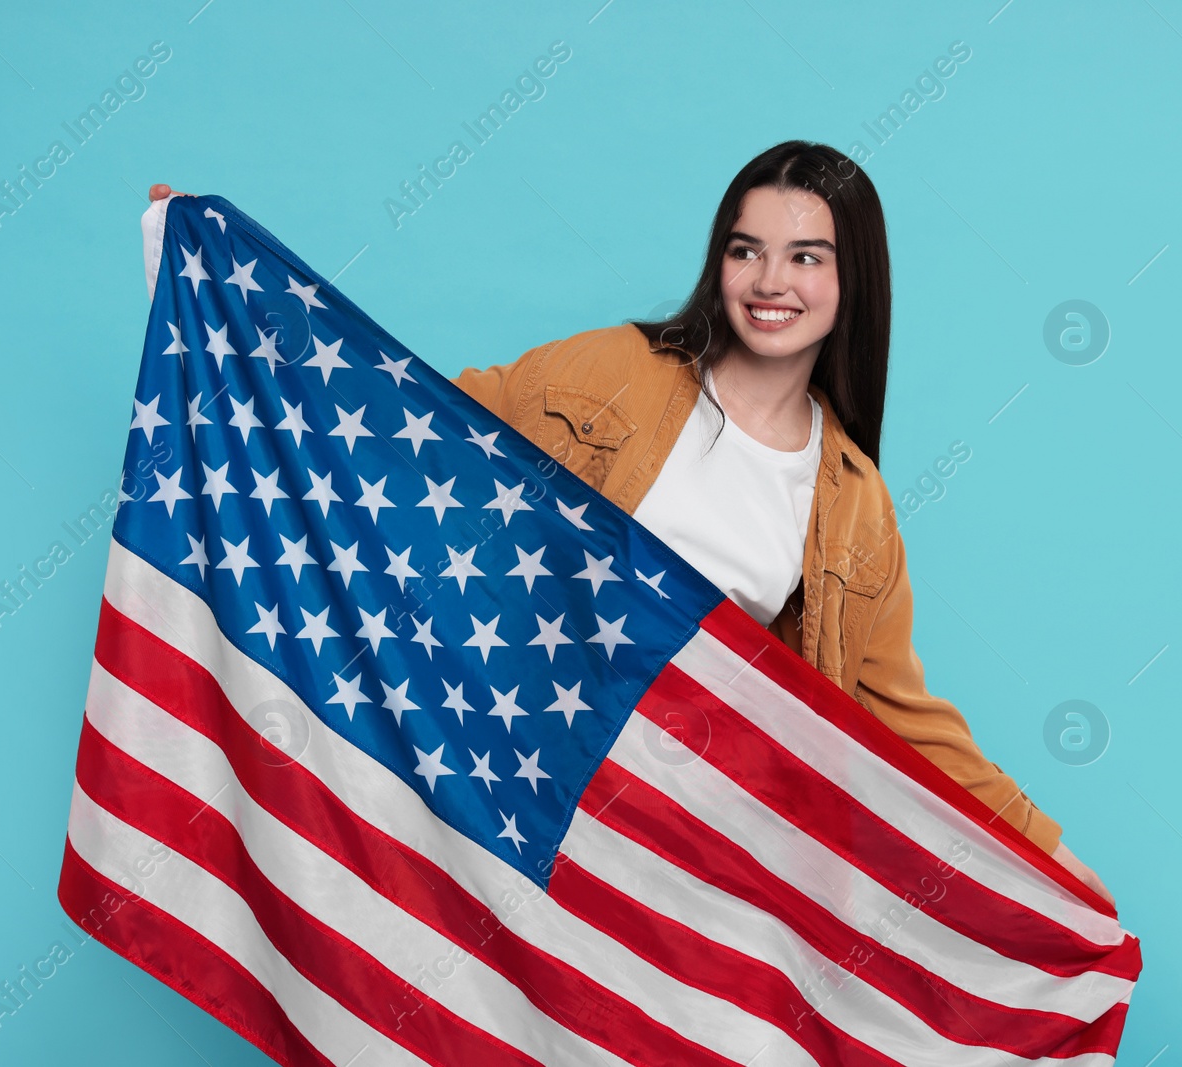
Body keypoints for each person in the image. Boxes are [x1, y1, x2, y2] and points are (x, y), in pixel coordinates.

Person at [145, 143, 1114, 905]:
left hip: (672, 836)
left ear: (850, 279)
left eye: (804, 256)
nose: (769, 279)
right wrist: (234, 308)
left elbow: (901, 713)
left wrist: (1050, 853)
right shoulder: (616, 371)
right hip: (514, 764)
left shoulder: (852, 503)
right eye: (747, 249)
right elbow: (421, 425)